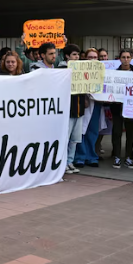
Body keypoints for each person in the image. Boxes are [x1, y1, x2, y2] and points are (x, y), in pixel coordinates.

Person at [110, 49, 133, 169]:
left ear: (131, 58)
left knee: (130, 133)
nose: (126, 59)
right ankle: (117, 156)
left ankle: (128, 157)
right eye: (123, 57)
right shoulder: (114, 73)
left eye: (128, 57)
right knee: (117, 132)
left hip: (131, 107)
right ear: (119, 59)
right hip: (117, 107)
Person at [59, 44, 84, 173]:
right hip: (68, 110)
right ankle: (62, 163)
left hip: (79, 109)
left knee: (75, 139)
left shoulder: (82, 69)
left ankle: (70, 161)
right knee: (65, 138)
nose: (77, 57)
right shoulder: (62, 69)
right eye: (74, 54)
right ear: (67, 56)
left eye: (78, 55)